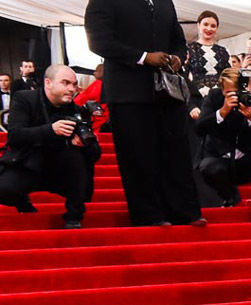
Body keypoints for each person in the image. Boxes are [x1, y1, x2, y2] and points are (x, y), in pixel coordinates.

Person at [86, 0, 205, 227]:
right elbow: (99, 41)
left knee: (176, 153)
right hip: (128, 92)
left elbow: (177, 40)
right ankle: (148, 215)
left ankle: (185, 212)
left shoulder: (164, 3)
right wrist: (143, 57)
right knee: (138, 155)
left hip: (167, 92)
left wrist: (177, 57)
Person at [0, 65, 101, 229]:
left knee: (77, 158)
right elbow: (15, 136)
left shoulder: (76, 111)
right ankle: (22, 202)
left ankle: (74, 217)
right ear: (48, 83)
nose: (71, 89)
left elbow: (95, 153)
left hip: (61, 167)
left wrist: (84, 145)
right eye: (65, 83)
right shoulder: (25, 99)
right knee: (4, 189)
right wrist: (51, 130)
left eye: (74, 84)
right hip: (27, 162)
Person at [194, 68, 251, 222]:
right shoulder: (214, 99)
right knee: (207, 165)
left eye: (238, 91)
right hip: (221, 162)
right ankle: (229, 196)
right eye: (229, 93)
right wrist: (221, 112)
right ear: (222, 90)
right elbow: (199, 128)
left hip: (247, 163)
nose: (235, 96)